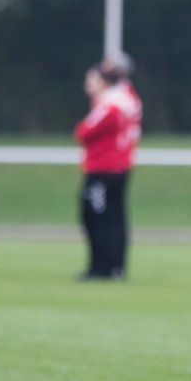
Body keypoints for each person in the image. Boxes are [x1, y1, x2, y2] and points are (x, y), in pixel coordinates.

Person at [74, 59, 142, 280]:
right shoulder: (130, 99)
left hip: (104, 169)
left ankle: (101, 267)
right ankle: (115, 267)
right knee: (114, 218)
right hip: (120, 166)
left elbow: (83, 132)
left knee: (97, 217)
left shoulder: (111, 104)